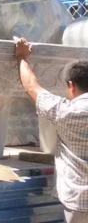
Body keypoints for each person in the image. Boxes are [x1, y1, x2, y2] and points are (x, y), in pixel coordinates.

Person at [15, 38, 88, 223]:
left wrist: (22, 57)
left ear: (71, 85)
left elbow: (31, 86)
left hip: (79, 204)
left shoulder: (66, 112)